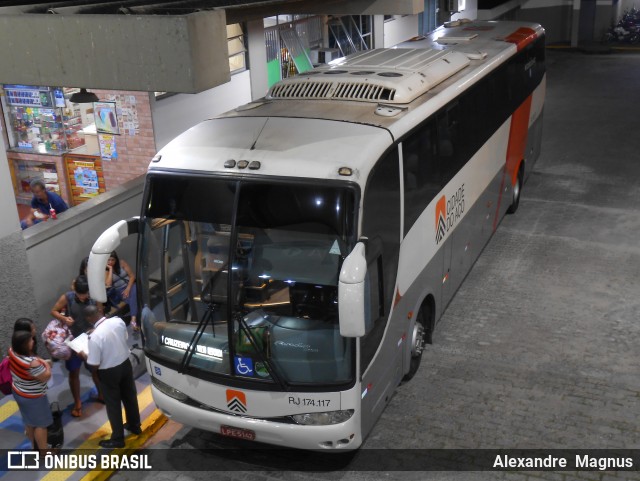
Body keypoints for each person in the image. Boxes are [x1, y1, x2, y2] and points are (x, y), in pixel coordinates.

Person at [81, 305, 141, 449]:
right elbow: (123, 337)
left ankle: (118, 438)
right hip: (125, 364)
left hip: (109, 372)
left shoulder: (94, 338)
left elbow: (94, 365)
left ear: (89, 319)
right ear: (99, 312)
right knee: (130, 397)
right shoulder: (117, 321)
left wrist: (83, 355)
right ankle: (135, 426)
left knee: (113, 405)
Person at [51, 275, 102, 417]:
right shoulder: (67, 297)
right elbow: (54, 310)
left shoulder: (94, 297)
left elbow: (100, 313)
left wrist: (96, 328)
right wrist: (64, 318)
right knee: (74, 373)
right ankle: (78, 402)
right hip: (73, 341)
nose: (82, 298)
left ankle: (101, 395)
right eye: (79, 295)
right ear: (75, 291)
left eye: (84, 295)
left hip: (90, 339)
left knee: (96, 369)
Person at [8, 330, 53, 452]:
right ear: (24, 344)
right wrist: (47, 366)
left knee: (29, 421)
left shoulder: (12, 351)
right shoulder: (31, 363)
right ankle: (44, 452)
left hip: (18, 391)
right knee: (41, 425)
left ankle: (34, 447)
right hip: (33, 397)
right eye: (30, 340)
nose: (33, 341)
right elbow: (45, 377)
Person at [106, 251, 138, 330]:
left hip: (130, 285)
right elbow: (108, 284)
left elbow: (132, 276)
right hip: (119, 290)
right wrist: (110, 269)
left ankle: (133, 319)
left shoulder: (122, 263)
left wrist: (128, 288)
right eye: (108, 260)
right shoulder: (106, 270)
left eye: (112, 260)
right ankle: (134, 320)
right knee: (133, 297)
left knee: (134, 292)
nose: (110, 262)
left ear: (116, 260)